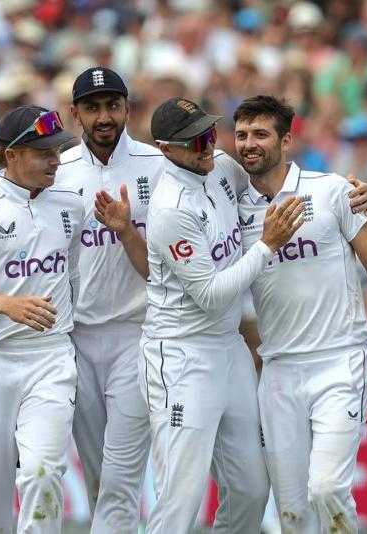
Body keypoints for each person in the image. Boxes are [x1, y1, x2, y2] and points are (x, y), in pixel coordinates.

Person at [233, 95, 367, 533]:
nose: (249, 144)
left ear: (287, 140)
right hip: (278, 370)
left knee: (328, 489)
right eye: (241, 135)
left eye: (260, 134)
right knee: (293, 513)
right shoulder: (232, 207)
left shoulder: (332, 189)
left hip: (339, 362)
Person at [138, 97, 303, 534]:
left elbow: (276, 177)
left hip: (228, 347)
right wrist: (266, 245)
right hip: (180, 355)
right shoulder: (170, 208)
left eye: (210, 132)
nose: (208, 146)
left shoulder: (222, 168)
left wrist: (346, 192)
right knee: (181, 499)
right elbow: (210, 294)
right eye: (194, 141)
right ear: (166, 149)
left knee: (251, 487)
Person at [0, 105, 82, 533]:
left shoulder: (71, 205)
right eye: (43, 152)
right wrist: (6, 305)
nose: (55, 160)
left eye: (58, 151)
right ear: (12, 155)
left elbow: (75, 275)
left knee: (43, 472)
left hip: (50, 359)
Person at [55, 66, 163, 532]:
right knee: (101, 480)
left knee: (120, 482)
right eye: (93, 108)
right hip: (75, 339)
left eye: (112, 106)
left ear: (127, 109)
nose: (104, 117)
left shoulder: (157, 164)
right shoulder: (55, 171)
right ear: (74, 113)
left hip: (133, 337)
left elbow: (231, 179)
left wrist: (346, 191)